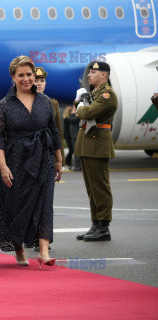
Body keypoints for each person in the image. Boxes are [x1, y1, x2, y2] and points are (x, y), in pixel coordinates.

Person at [0, 56, 62, 268]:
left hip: (44, 158)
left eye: (29, 74)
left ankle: (44, 252)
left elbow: (54, 131)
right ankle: (18, 247)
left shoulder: (45, 101)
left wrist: (58, 161)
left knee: (44, 203)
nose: (26, 79)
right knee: (17, 204)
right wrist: (3, 166)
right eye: (21, 75)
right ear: (13, 77)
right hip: (16, 160)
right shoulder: (5, 104)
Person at [74, 61, 117, 242]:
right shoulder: (95, 93)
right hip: (88, 144)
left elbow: (88, 113)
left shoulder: (107, 95)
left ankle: (104, 226)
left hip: (98, 145)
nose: (89, 75)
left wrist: (81, 107)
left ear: (104, 75)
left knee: (100, 187)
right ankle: (96, 223)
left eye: (94, 72)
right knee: (91, 188)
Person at [34, 67, 65, 167]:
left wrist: (60, 160)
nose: (39, 84)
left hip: (48, 152)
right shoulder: (24, 102)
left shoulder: (53, 103)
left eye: (42, 81)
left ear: (45, 83)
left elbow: (58, 133)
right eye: (36, 80)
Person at [69, 106, 81, 171]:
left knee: (76, 151)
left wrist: (73, 113)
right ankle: (78, 165)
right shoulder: (76, 115)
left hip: (76, 135)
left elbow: (72, 120)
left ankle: (78, 166)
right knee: (76, 151)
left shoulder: (78, 115)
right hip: (74, 135)